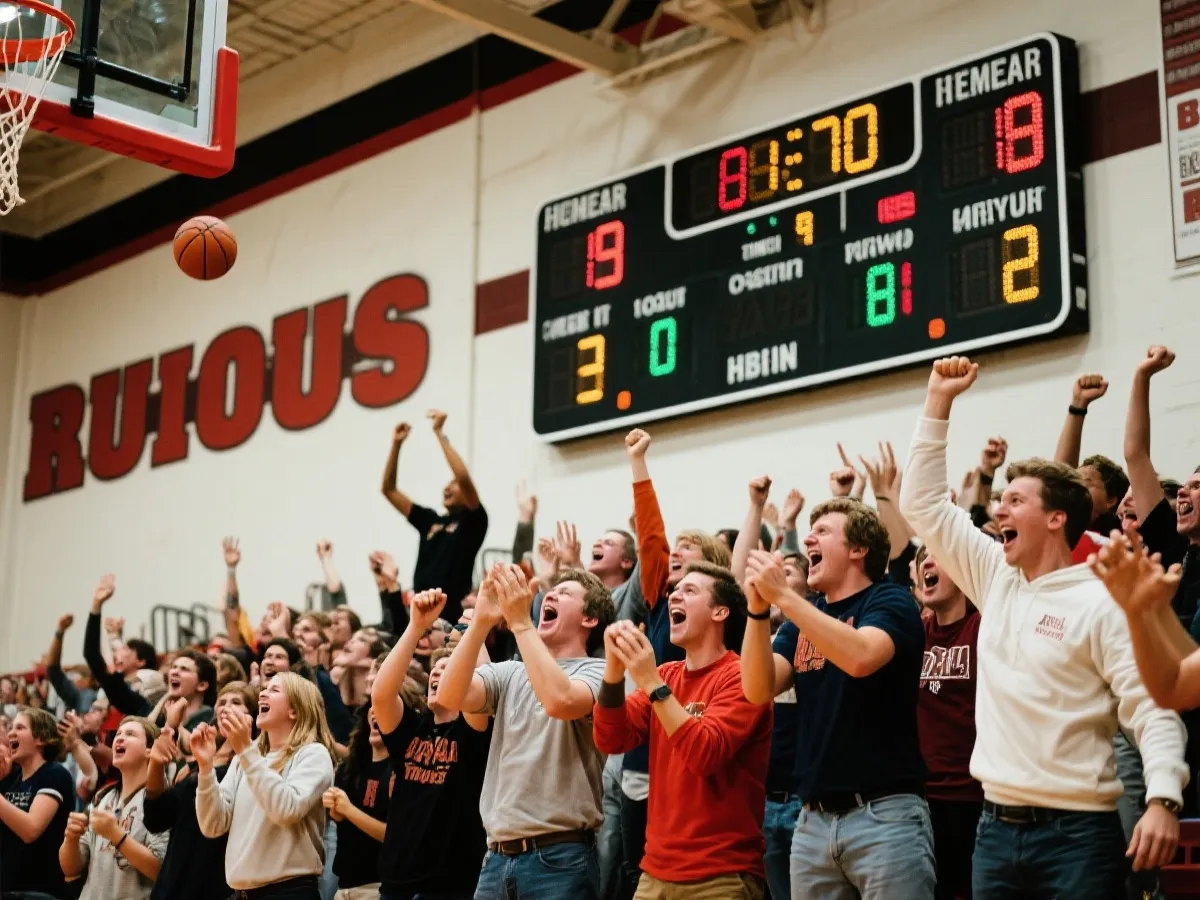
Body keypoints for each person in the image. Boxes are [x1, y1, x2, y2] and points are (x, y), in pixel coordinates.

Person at [900, 355, 1188, 899]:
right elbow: (923, 506)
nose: (998, 511)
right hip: (994, 830)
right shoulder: (995, 576)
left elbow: (1151, 705)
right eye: (1000, 500)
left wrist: (1162, 797)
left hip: (1078, 833)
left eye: (1015, 501)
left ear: (1057, 519)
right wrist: (937, 401)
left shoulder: (1102, 600)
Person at [740, 501, 932, 900]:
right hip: (812, 821)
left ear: (858, 549)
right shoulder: (801, 620)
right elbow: (758, 688)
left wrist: (785, 598)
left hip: (885, 815)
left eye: (823, 530)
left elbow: (861, 657)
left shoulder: (890, 601)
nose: (809, 537)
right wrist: (757, 612)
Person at [437, 562, 614, 899]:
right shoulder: (511, 673)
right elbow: (450, 696)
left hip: (561, 856)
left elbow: (560, 700)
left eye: (565, 593)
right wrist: (480, 624)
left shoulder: (600, 671)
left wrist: (520, 622)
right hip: (496, 858)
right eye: (553, 590)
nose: (552, 593)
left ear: (590, 619)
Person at [595, 561, 770, 899]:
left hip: (720, 874)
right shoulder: (668, 673)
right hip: (655, 872)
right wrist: (614, 673)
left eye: (690, 591)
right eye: (675, 589)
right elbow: (611, 738)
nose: (675, 594)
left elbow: (705, 755)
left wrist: (650, 682)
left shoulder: (741, 676)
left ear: (720, 612)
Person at [372, 590, 492, 900]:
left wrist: (474, 626)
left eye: (448, 669)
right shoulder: (412, 730)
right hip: (397, 881)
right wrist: (414, 627)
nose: (438, 671)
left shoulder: (473, 728)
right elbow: (382, 695)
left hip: (451, 885)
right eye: (434, 670)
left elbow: (484, 681)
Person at [195, 672, 337, 899]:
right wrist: (205, 768)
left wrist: (245, 750)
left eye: (274, 690)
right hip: (241, 893)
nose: (262, 693)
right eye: (264, 688)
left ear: (295, 710)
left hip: (289, 891)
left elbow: (286, 810)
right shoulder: (246, 758)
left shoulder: (312, 754)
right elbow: (213, 824)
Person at [144, 683, 259, 900]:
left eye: (236, 703)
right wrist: (156, 764)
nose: (226, 708)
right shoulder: (199, 763)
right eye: (222, 702)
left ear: (252, 716)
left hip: (215, 882)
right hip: (175, 879)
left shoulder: (253, 765)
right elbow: (156, 818)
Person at [914, 546, 983, 899]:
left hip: (976, 798)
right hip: (922, 802)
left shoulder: (983, 625)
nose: (927, 561)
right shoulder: (915, 634)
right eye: (922, 558)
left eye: (938, 553)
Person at [381, 410, 488, 623]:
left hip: (450, 614)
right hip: (419, 608)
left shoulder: (473, 520)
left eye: (453, 484)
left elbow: (463, 476)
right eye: (446, 484)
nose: (447, 488)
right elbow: (389, 490)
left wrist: (439, 433)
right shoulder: (430, 520)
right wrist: (396, 444)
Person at [59, 716, 170, 900]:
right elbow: (71, 868)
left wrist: (116, 835)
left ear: (150, 751)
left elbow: (161, 869)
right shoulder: (103, 796)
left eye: (130, 734)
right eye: (118, 734)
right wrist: (70, 838)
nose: (119, 738)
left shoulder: (161, 800)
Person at [0, 707, 75, 897]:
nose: (11, 732)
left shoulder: (55, 774)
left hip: (40, 891)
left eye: (20, 728)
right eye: (10, 727)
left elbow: (31, 830)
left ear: (41, 738)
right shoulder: (12, 779)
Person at [322, 702, 390, 900]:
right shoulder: (351, 768)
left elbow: (394, 835)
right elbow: (341, 819)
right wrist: (336, 811)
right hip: (344, 888)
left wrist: (348, 810)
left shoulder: (402, 771)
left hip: (378, 888)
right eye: (373, 704)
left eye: (383, 704)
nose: (375, 710)